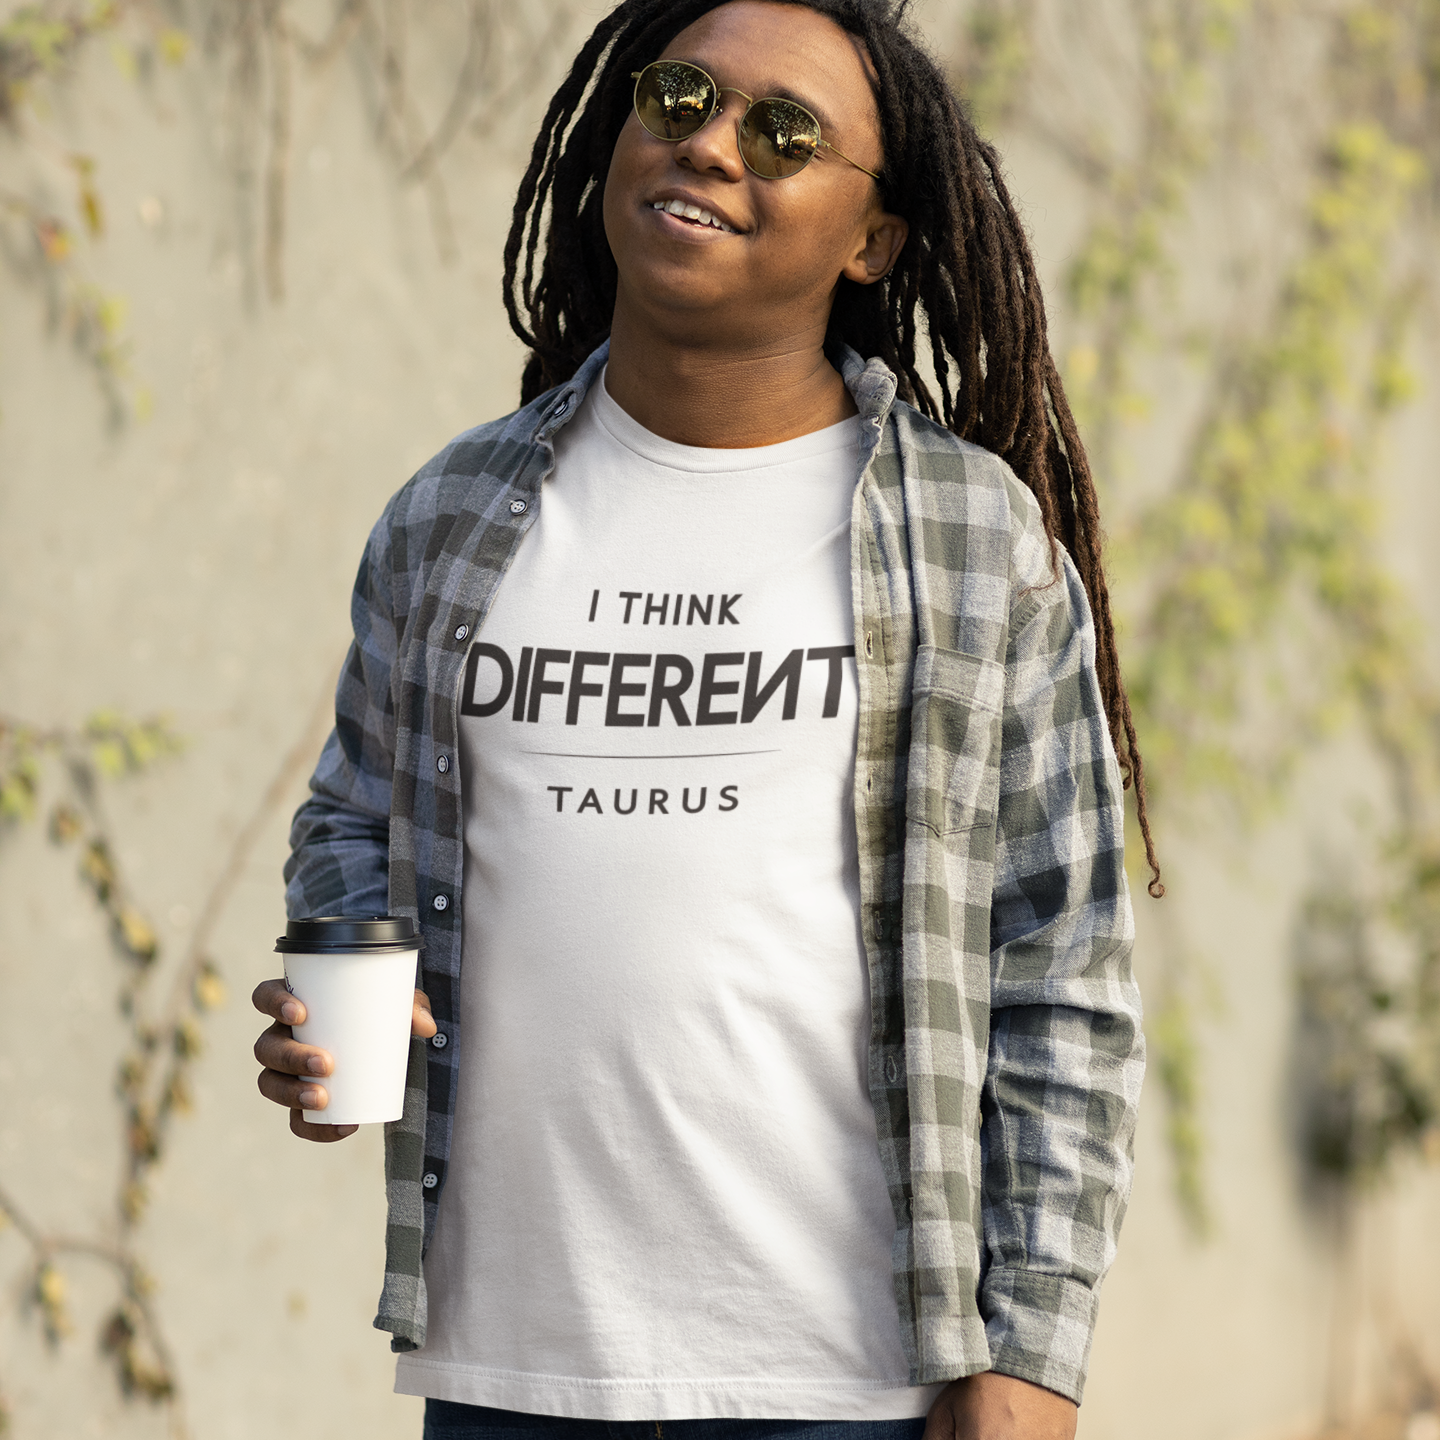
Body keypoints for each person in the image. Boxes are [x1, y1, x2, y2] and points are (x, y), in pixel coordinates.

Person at [252, 2, 1158, 1438]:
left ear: (872, 240)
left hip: (850, 1376)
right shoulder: (450, 521)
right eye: (679, 92)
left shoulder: (976, 546)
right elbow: (356, 816)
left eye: (784, 132)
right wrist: (343, 1009)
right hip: (514, 1364)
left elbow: (1061, 969)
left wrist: (1031, 1353)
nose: (711, 140)